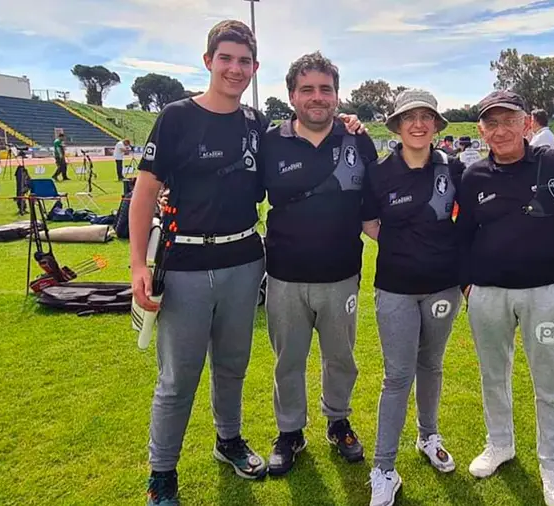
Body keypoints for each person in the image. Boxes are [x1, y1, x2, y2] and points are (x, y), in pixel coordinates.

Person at [128, 21, 361, 505]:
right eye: (226, 59)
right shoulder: (176, 116)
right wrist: (137, 264)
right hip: (187, 261)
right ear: (208, 60)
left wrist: (350, 121)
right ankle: (162, 472)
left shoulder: (257, 125)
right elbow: (145, 191)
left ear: (254, 68)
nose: (235, 69)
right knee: (178, 377)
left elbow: (311, 125)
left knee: (232, 366)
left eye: (244, 62)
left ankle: (227, 440)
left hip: (245, 259)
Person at [456, 90, 554, 506]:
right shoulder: (473, 175)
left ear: (525, 124)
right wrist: (468, 287)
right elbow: (461, 238)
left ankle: (553, 464)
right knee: (493, 377)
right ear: (482, 130)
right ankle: (500, 444)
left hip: (546, 294)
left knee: (551, 385)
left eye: (508, 121)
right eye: (491, 123)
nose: (500, 131)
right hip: (488, 296)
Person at [260, 51, 378, 477]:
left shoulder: (357, 141)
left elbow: (375, 205)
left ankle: (338, 420)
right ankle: (290, 431)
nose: (317, 97)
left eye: (325, 89)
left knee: (340, 358)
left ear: (336, 95)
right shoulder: (270, 141)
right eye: (307, 89)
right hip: (285, 275)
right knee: (287, 359)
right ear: (292, 95)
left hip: (342, 274)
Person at [359, 89, 465, 506]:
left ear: (437, 125)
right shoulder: (380, 172)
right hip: (395, 288)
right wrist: (407, 246)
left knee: (432, 365)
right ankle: (384, 467)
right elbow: (369, 221)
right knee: (398, 375)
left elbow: (468, 221)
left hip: (443, 288)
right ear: (397, 126)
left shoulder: (454, 169)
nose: (418, 124)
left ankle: (428, 436)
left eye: (426, 117)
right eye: (409, 117)